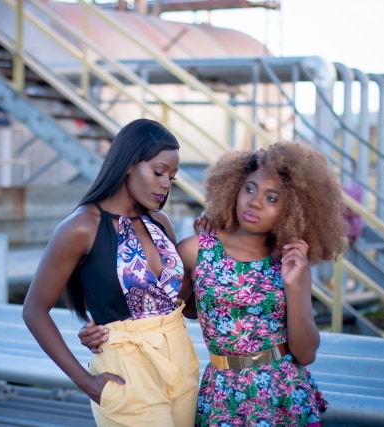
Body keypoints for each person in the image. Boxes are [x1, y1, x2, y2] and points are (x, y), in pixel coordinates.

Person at [81, 141, 348, 427]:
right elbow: (162, 309)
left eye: (273, 198)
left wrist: (294, 287)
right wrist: (104, 328)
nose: (256, 202)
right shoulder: (197, 249)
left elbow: (306, 353)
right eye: (249, 188)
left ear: (293, 208)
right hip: (222, 395)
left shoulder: (290, 261)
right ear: (232, 187)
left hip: (283, 392)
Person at [22, 118, 200, 427]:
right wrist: (86, 383)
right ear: (129, 164)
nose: (165, 184)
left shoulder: (160, 223)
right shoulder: (81, 227)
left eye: (172, 176)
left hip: (181, 361)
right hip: (127, 372)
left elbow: (182, 307)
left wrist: (207, 252)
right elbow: (34, 311)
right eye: (158, 172)